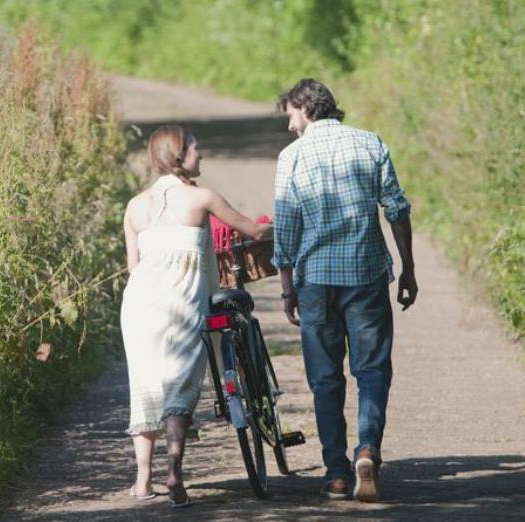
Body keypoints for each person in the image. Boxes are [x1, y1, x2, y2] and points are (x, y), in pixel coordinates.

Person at [272, 79, 418, 502]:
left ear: (305, 108)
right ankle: (368, 449)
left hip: (316, 280)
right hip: (366, 276)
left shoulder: (292, 156)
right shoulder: (370, 143)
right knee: (372, 370)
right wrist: (408, 269)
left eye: (290, 116)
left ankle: (336, 472)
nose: (289, 127)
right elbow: (396, 208)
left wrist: (286, 288)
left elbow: (285, 226)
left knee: (325, 379)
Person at [120, 125, 271, 508]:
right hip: (182, 302)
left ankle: (142, 482)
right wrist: (282, 230)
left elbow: (132, 266)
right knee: (179, 385)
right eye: (195, 149)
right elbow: (252, 230)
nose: (200, 154)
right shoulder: (201, 197)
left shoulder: (135, 206)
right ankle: (175, 470)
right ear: (179, 155)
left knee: (145, 387)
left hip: (138, 305)